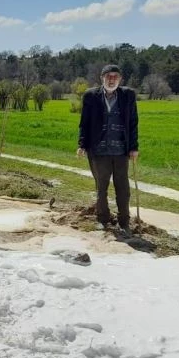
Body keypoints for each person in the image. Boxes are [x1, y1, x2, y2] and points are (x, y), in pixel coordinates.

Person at [77, 64, 139, 234]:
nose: (112, 79)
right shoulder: (91, 96)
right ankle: (102, 220)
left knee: (123, 189)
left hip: (120, 151)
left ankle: (124, 222)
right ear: (101, 78)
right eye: (108, 76)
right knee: (101, 188)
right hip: (98, 150)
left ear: (120, 79)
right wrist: (82, 144)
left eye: (115, 77)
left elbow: (133, 122)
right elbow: (85, 122)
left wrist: (134, 147)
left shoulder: (128, 95)